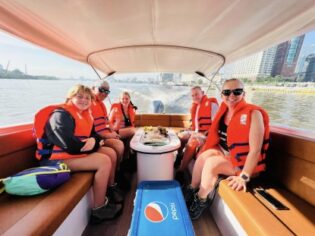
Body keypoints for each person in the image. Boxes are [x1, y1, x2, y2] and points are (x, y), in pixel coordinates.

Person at [35, 84, 123, 223]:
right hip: (55, 160)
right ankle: (98, 209)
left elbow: (95, 135)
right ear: (70, 97)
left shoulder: (84, 114)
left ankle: (110, 189)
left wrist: (95, 140)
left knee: (110, 153)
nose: (84, 100)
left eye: (87, 98)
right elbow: (70, 146)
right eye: (80, 96)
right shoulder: (60, 115)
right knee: (103, 161)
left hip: (74, 153)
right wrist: (94, 144)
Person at [184, 79, 270, 220]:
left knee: (212, 163)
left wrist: (244, 177)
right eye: (227, 92)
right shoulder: (223, 111)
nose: (231, 95)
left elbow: (256, 150)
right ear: (221, 94)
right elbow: (219, 136)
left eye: (237, 91)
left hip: (245, 164)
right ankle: (192, 189)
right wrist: (202, 139)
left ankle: (200, 200)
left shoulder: (254, 114)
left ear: (244, 93)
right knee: (204, 156)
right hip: (227, 154)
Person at [176, 86, 218, 172]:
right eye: (193, 95)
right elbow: (196, 124)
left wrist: (205, 133)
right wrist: (190, 129)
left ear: (202, 93)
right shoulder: (195, 106)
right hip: (196, 131)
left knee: (193, 141)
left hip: (207, 134)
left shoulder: (212, 105)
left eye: (197, 94)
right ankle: (179, 155)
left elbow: (216, 125)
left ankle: (181, 170)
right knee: (180, 136)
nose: (195, 97)